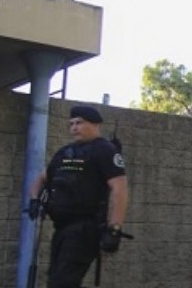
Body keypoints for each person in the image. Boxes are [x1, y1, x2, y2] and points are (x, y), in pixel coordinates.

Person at [26, 106, 129, 288]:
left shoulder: (104, 150)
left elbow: (119, 189)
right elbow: (40, 179)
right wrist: (34, 200)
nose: (74, 127)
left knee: (62, 282)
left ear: (95, 124)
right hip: (61, 228)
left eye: (80, 123)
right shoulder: (64, 153)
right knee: (55, 279)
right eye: (71, 124)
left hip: (85, 228)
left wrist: (115, 228)